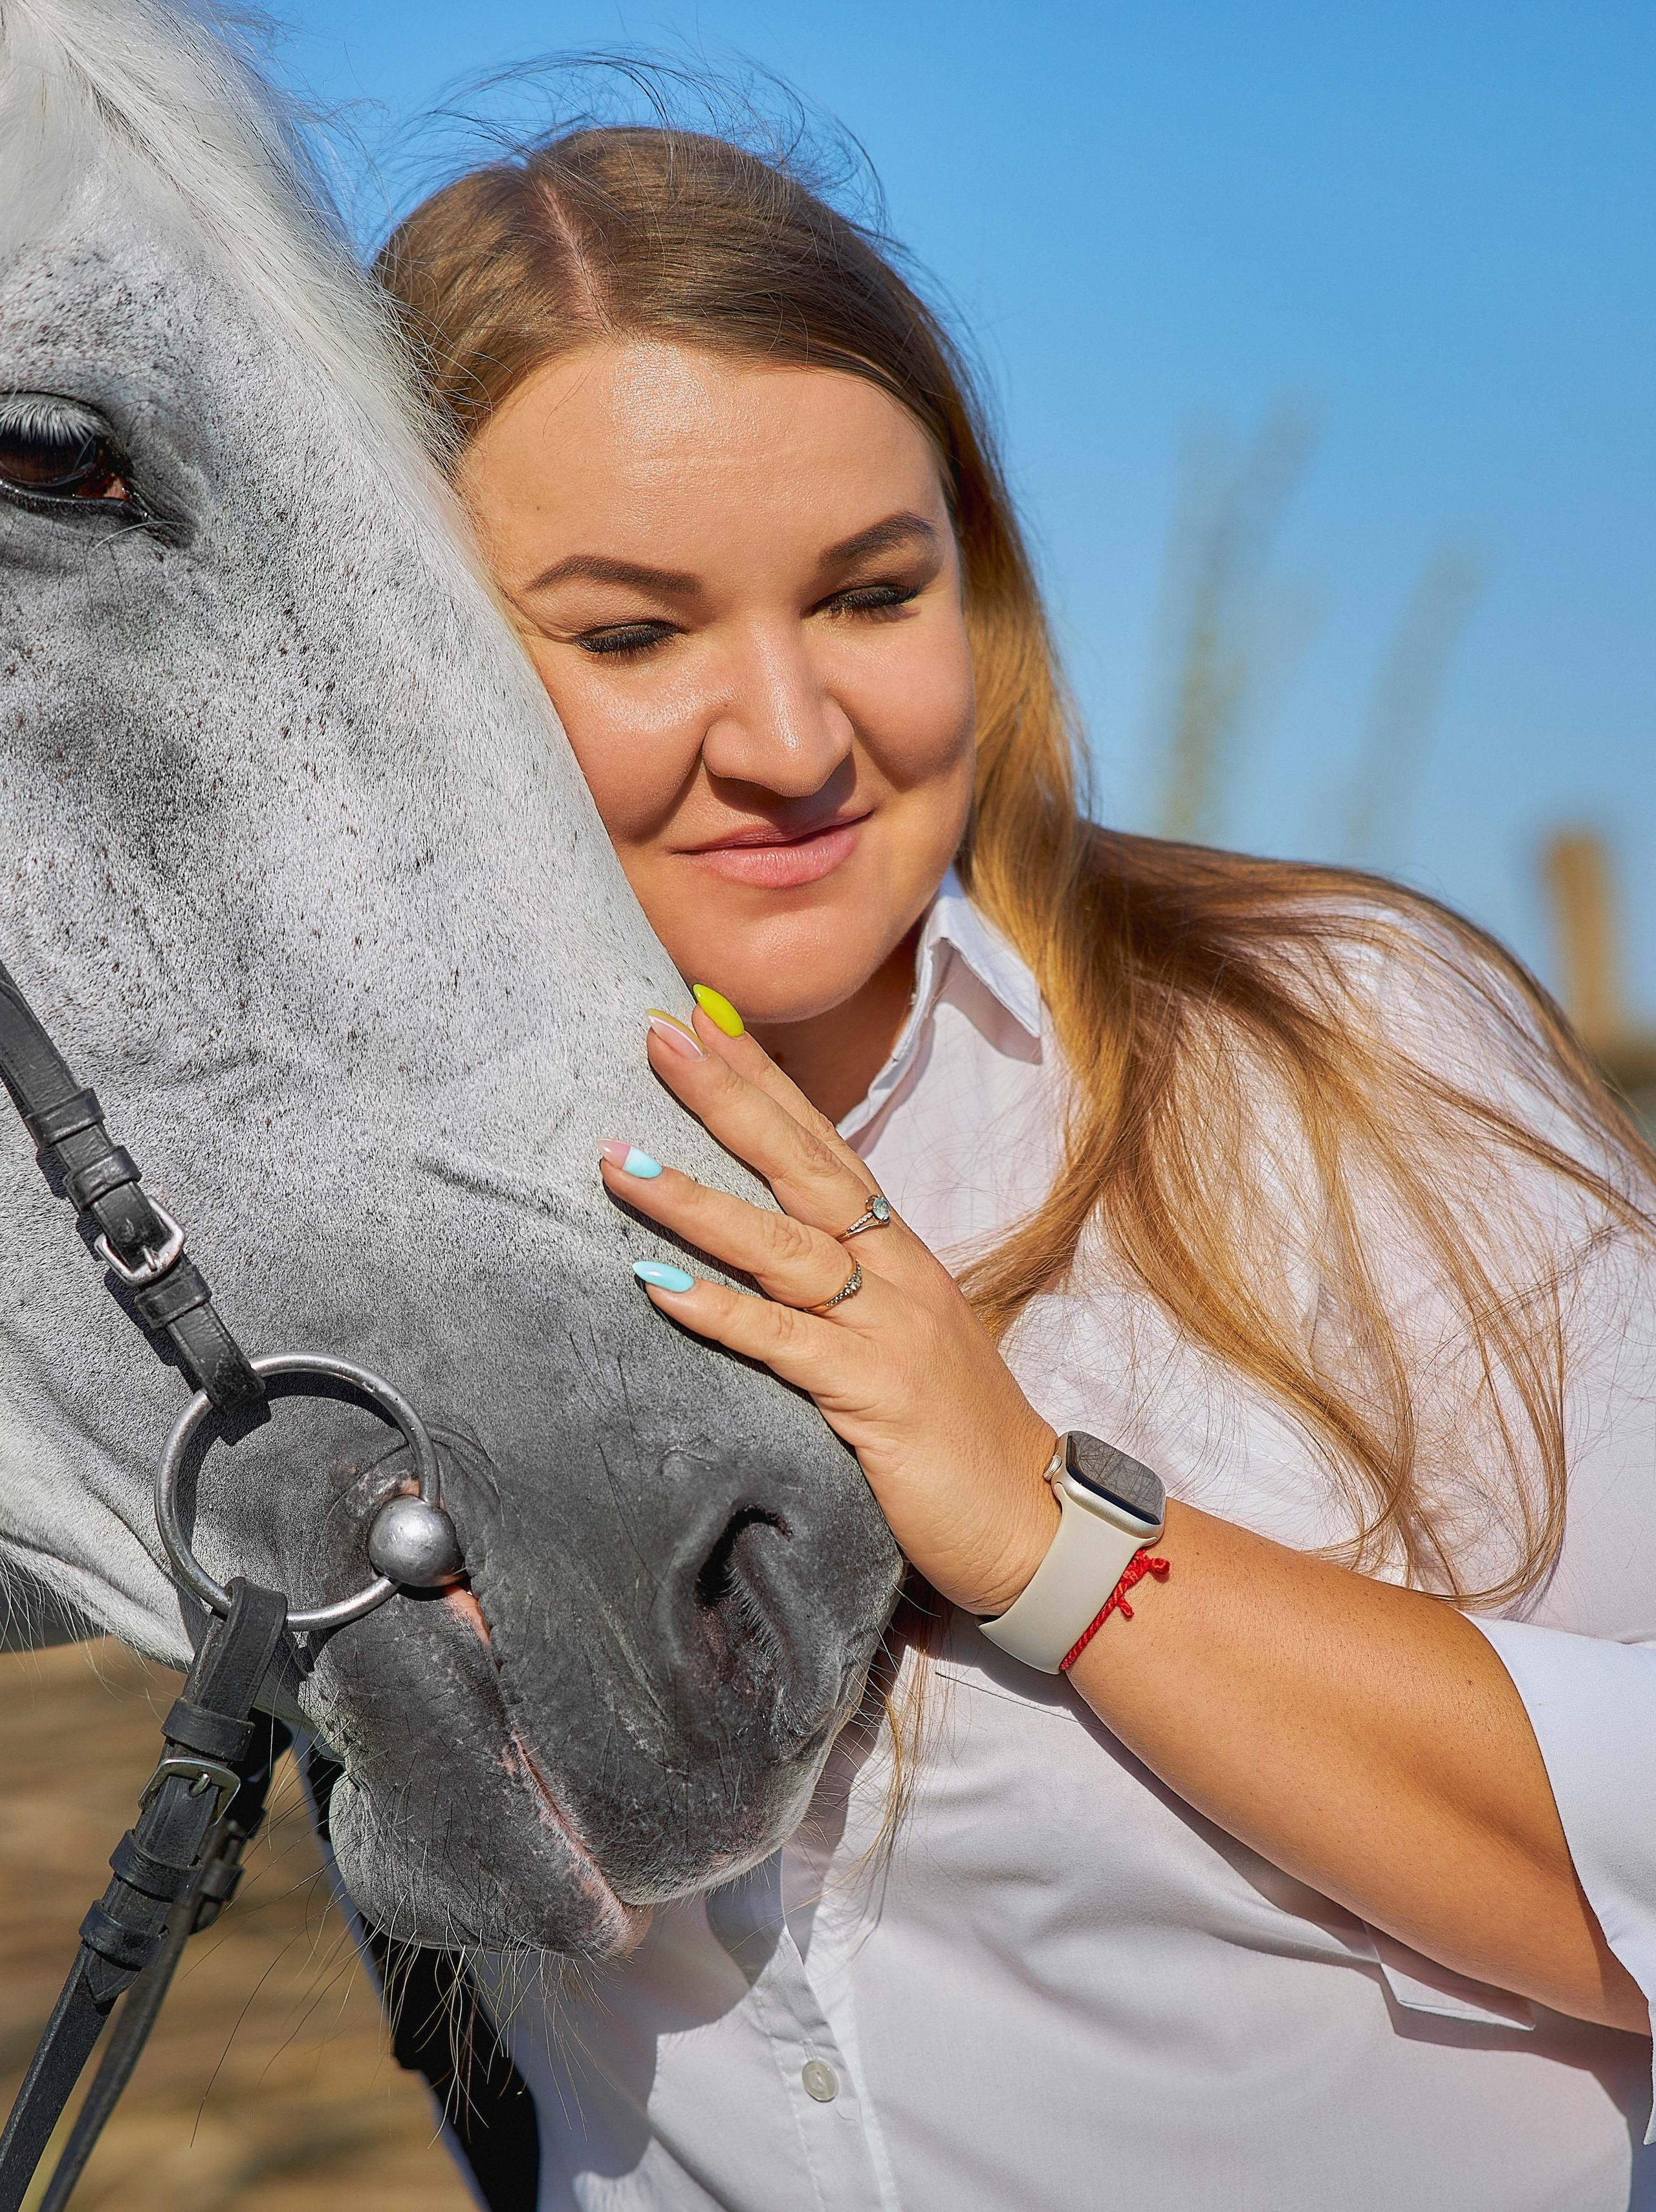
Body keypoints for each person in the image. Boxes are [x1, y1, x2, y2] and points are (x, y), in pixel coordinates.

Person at [375, 122, 1656, 2211]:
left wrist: (1051, 1531)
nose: (792, 738)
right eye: (633, 635)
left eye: (872, 592)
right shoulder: (333, 1240)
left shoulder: (1345, 1047)